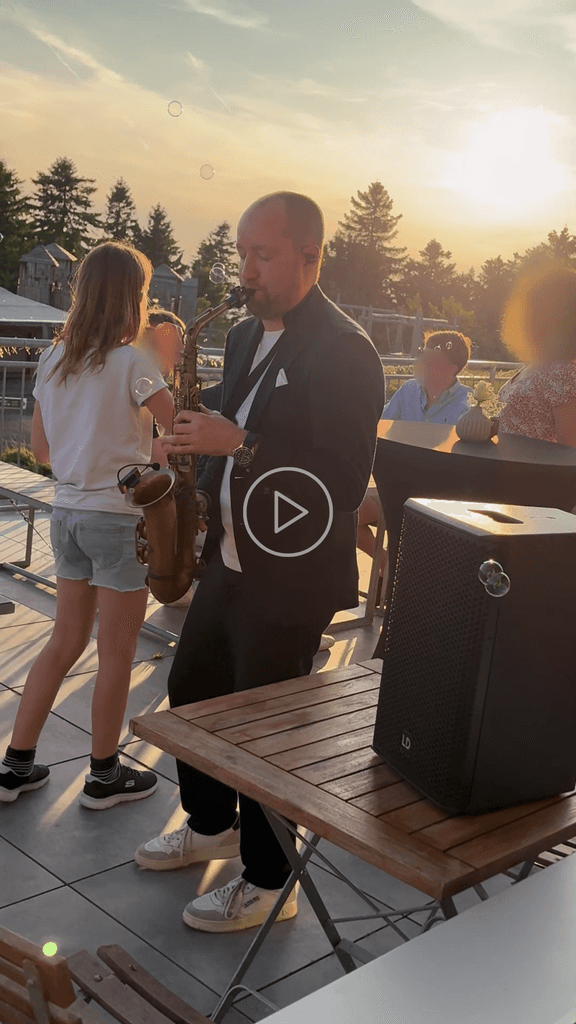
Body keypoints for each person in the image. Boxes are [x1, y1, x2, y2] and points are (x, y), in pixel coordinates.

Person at [135, 191, 385, 932]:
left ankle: (273, 884)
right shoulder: (246, 336)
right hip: (232, 558)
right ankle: (213, 825)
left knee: (267, 729)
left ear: (310, 258)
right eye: (242, 251)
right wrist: (186, 426)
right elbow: (231, 407)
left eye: (262, 254)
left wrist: (236, 443)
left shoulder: (346, 351)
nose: (245, 268)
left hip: (293, 573)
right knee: (193, 688)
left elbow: (340, 481)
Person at [0, 242, 174, 808]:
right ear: (133, 298)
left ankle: (16, 765)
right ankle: (104, 775)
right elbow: (179, 429)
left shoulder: (53, 358)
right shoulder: (134, 361)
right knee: (117, 652)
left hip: (67, 514)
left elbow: (44, 450)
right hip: (117, 520)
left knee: (63, 641)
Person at [357, 330, 473, 602]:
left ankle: (401, 583)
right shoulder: (408, 390)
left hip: (435, 496)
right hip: (394, 485)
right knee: (349, 514)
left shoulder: (468, 405)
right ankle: (388, 564)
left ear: (452, 367)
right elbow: (380, 430)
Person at [497, 262, 576, 446]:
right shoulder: (538, 363)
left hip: (532, 473)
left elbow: (570, 448)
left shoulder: (563, 372)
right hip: (506, 469)